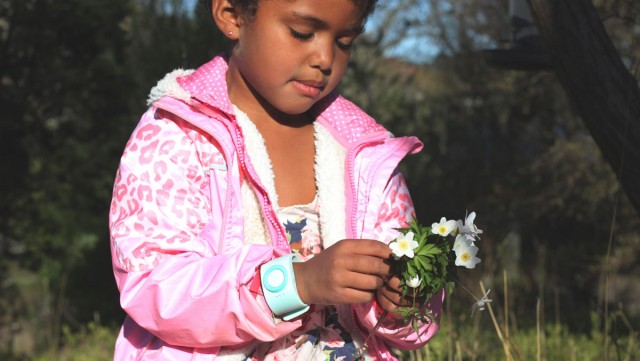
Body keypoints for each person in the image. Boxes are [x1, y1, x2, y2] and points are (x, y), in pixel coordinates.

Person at [109, 0, 444, 359]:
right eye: (302, 33)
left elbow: (409, 309)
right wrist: (296, 284)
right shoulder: (176, 137)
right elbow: (155, 287)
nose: (325, 58)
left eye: (344, 41)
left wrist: (402, 299)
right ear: (231, 15)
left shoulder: (366, 154)